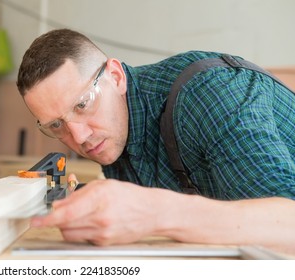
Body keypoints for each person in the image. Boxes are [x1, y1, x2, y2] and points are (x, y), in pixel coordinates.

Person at [16, 28, 295, 254]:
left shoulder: (210, 94)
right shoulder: (116, 135)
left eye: (82, 105)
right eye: (56, 125)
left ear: (115, 76)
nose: (79, 137)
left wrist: (156, 212)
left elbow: (288, 228)